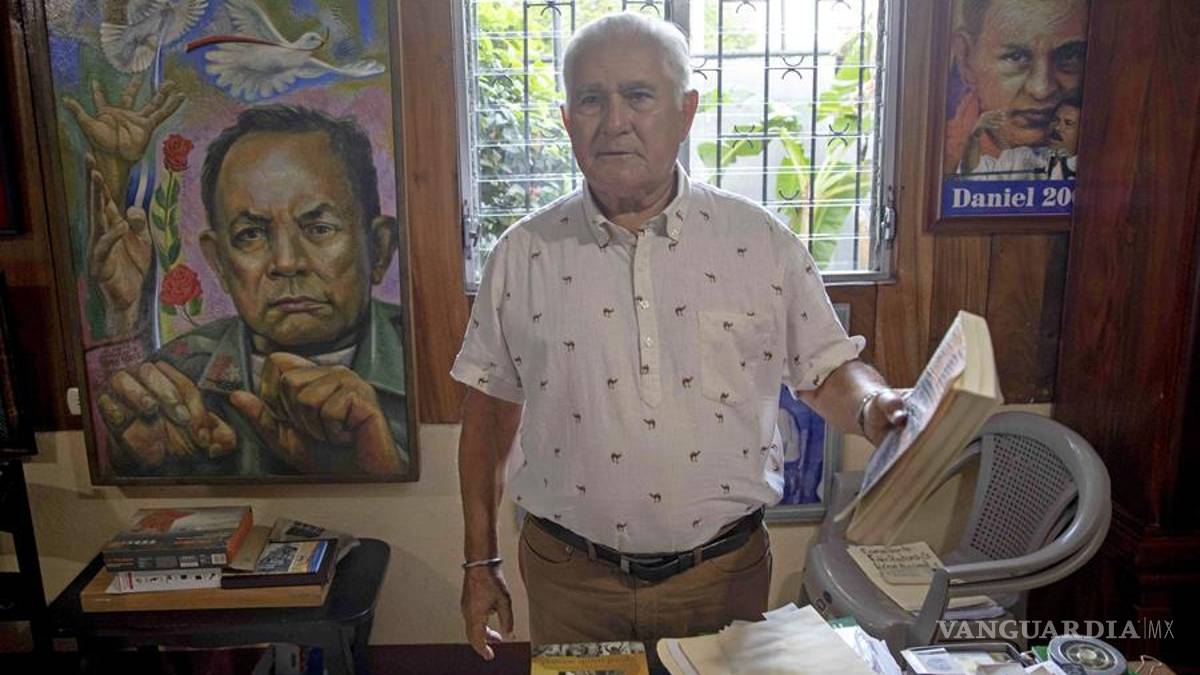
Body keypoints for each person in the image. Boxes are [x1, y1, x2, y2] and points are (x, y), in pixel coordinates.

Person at [452, 12, 907, 660]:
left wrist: (873, 405)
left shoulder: (759, 241)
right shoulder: (522, 255)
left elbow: (826, 369)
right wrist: (479, 562)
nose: (614, 121)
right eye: (591, 100)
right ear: (566, 119)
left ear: (686, 111)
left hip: (722, 577)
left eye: (639, 95)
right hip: (570, 583)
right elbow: (487, 417)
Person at [93, 105, 409, 477]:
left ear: (379, 248)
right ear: (219, 263)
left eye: (320, 228)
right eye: (251, 234)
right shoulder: (181, 373)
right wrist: (144, 465)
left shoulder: (427, 361)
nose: (286, 262)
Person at [943, 0, 1088, 173]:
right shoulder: (938, 161)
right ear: (966, 59)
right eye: (1016, 57)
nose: (1041, 90)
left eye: (1070, 56)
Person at [961, 97, 1080, 179]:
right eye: (1055, 120)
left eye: (1068, 123)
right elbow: (973, 176)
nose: (1058, 127)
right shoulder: (1021, 158)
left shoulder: (1085, 172)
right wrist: (974, 137)